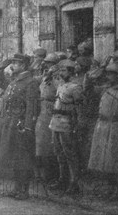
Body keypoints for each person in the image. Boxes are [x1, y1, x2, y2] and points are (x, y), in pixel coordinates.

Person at [0, 53, 40, 200]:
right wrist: (3, 66)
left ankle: (24, 190)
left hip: (21, 125)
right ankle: (16, 187)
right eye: (13, 62)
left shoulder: (30, 82)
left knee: (23, 158)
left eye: (16, 63)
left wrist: (28, 127)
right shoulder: (14, 80)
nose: (12, 65)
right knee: (13, 157)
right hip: (10, 124)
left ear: (23, 65)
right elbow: (0, 81)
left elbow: (32, 107)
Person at [87, 60, 118, 201]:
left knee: (115, 161)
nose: (108, 77)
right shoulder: (105, 89)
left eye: (111, 74)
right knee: (103, 161)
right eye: (108, 74)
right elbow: (89, 83)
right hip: (103, 126)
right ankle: (109, 189)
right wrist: (101, 68)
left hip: (116, 127)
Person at [48, 59, 84, 195]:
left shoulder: (76, 87)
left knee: (70, 154)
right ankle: (63, 180)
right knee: (59, 152)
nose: (61, 72)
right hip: (56, 122)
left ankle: (74, 183)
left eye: (64, 70)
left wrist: (78, 124)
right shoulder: (61, 85)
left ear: (71, 71)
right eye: (61, 70)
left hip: (67, 122)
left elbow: (79, 108)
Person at [34, 53, 60, 184]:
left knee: (50, 144)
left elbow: (59, 91)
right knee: (40, 143)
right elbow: (36, 82)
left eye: (51, 63)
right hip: (42, 109)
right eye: (47, 63)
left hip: (51, 109)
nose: (48, 66)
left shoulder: (58, 78)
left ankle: (50, 175)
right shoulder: (45, 77)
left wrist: (52, 76)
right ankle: (40, 173)